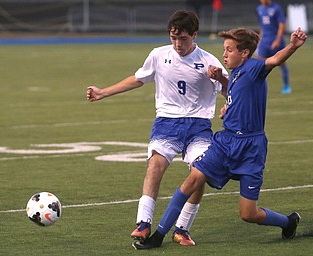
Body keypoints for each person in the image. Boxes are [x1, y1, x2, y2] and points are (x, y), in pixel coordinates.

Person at [132, 27, 307, 250]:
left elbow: (273, 60)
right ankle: (158, 235)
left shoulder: (254, 68)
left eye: (229, 50)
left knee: (248, 213)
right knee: (192, 180)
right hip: (225, 142)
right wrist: (228, 108)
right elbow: (236, 97)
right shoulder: (233, 73)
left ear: (244, 53)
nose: (224, 55)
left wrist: (292, 45)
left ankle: (287, 222)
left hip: (251, 149)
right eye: (224, 49)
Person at [86, 10, 229, 246]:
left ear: (194, 35)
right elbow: (138, 78)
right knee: (155, 164)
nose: (177, 44)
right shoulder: (158, 55)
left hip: (199, 126)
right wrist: (103, 92)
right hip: (167, 123)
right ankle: (143, 223)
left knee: (198, 174)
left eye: (183, 39)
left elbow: (230, 93)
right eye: (173, 38)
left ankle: (182, 229)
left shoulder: (210, 62)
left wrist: (222, 80)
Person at [257, 0, 291, 94]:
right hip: (264, 41)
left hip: (276, 41)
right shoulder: (259, 9)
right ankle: (259, 86)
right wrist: (259, 39)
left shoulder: (276, 8)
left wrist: (278, 40)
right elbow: (262, 26)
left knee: (281, 63)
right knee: (259, 64)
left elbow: (281, 25)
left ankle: (286, 85)